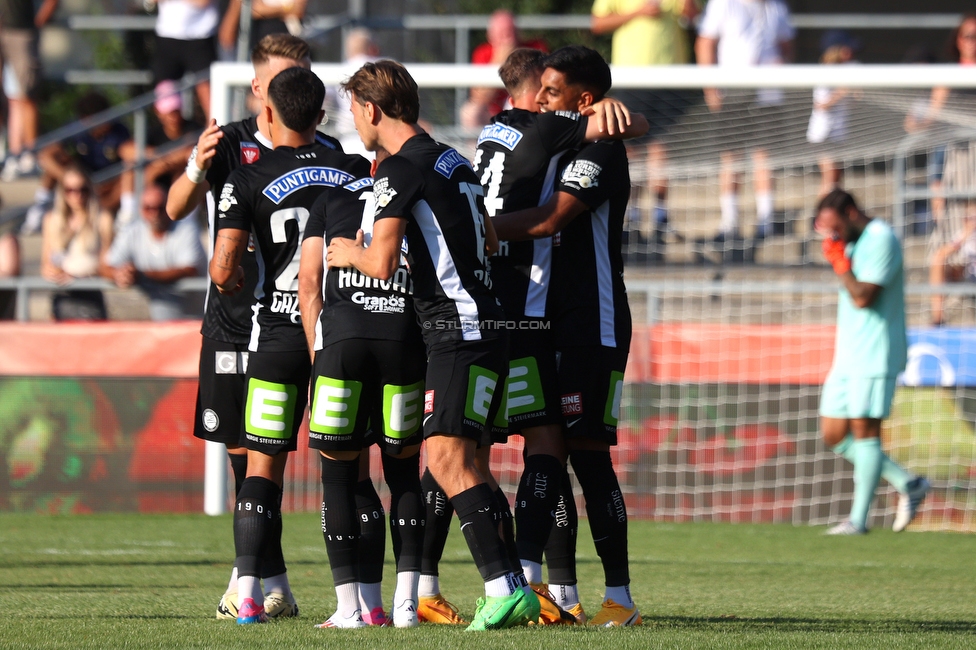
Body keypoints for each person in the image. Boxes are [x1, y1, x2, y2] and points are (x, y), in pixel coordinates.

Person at [327, 59, 540, 631]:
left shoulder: (398, 171)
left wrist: (346, 252)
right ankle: (514, 584)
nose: (352, 120)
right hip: (489, 324)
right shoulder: (455, 161)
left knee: (446, 459)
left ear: (371, 110)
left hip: (456, 331)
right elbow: (490, 236)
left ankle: (503, 588)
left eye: (352, 109)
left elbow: (380, 261)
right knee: (470, 463)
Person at [461, 46, 647, 627]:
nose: (540, 100)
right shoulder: (565, 140)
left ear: (583, 100)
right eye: (538, 89)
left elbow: (548, 220)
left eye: (552, 90)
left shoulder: (600, 152)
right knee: (552, 451)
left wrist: (476, 229)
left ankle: (620, 597)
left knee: (589, 459)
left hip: (594, 323)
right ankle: (550, 590)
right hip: (546, 319)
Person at [166, 33, 349, 622]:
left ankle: (255, 583)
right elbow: (174, 209)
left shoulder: (330, 148)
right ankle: (272, 582)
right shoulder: (229, 144)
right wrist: (196, 162)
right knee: (242, 452)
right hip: (232, 324)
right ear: (256, 89)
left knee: (274, 452)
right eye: (275, 81)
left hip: (288, 322)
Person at [209, 65, 359, 626]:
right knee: (344, 470)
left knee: (261, 468)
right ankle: (360, 602)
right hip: (338, 334)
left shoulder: (247, 175)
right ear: (322, 117)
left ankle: (246, 594)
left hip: (275, 334)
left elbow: (223, 268)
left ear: (266, 114)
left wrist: (236, 278)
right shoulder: (351, 170)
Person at [298, 147, 427, 628]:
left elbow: (308, 284)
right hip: (403, 342)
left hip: (344, 343)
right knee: (404, 474)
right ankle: (405, 605)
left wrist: (320, 356)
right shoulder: (415, 198)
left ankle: (349, 607)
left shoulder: (329, 200)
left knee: (338, 478)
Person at [815, 189, 931, 535]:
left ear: (851, 212)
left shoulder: (881, 238)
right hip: (848, 352)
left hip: (875, 351)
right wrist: (841, 255)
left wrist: (839, 263)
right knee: (835, 434)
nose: (835, 236)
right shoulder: (851, 241)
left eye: (837, 227)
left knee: (866, 434)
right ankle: (908, 483)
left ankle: (858, 521)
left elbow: (864, 296)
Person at [591, 0, 698, 255]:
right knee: (632, 148)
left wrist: (690, 11)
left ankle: (661, 217)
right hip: (633, 75)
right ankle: (632, 217)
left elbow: (693, 18)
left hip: (670, 76)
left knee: (662, 146)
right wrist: (638, 12)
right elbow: (597, 24)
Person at [695, 0, 794, 244]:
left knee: (765, 155)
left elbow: (787, 45)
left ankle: (766, 220)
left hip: (768, 92)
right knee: (731, 156)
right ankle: (730, 222)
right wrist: (711, 88)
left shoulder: (776, 7)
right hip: (734, 90)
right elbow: (705, 43)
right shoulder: (724, 4)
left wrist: (783, 65)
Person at [29, 91, 131, 235]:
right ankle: (40, 206)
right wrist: (71, 179)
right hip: (83, 180)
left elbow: (130, 154)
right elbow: (46, 155)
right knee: (58, 162)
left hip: (109, 184)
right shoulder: (76, 129)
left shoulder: (119, 131)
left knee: (131, 171)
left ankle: (125, 216)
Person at [101, 181, 204, 320]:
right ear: (140, 209)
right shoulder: (132, 230)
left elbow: (189, 269)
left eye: (160, 208)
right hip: (154, 321)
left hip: (193, 318)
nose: (155, 213)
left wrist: (142, 275)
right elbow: (105, 266)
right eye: (148, 208)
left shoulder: (186, 228)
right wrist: (119, 274)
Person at [40, 166, 113, 320]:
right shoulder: (52, 220)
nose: (77, 195)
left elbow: (107, 265)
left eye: (82, 189)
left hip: (90, 293)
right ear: (62, 192)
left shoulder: (102, 219)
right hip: (61, 294)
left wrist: (76, 277)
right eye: (70, 190)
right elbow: (45, 264)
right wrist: (52, 272)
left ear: (89, 190)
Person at [0, 0, 58, 180]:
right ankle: (13, 154)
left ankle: (28, 155)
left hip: (21, 31)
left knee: (26, 96)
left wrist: (38, 22)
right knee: (13, 98)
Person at [459, 9, 546, 129]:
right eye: (502, 33)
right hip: (493, 111)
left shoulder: (535, 49)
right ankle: (476, 147)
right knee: (470, 112)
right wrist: (499, 61)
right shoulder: (483, 53)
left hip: (526, 106)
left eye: (510, 32)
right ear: (490, 36)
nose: (507, 38)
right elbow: (478, 97)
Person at [807, 31, 858, 200]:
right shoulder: (825, 71)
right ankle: (820, 218)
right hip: (823, 134)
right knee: (830, 181)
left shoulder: (847, 71)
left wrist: (855, 92)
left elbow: (851, 103)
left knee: (836, 180)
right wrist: (843, 91)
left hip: (837, 134)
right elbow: (821, 105)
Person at [153, 0, 219, 120]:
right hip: (167, 35)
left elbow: (202, 2)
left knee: (208, 96)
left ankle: (214, 135)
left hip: (201, 36)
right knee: (166, 102)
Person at [327, 27, 380, 158]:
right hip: (378, 136)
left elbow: (326, 100)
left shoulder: (337, 71)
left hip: (347, 139)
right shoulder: (382, 68)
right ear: (371, 47)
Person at [929, 214, 976, 326]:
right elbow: (939, 255)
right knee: (938, 262)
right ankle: (938, 320)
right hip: (969, 278)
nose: (973, 222)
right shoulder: (963, 236)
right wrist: (962, 239)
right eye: (969, 218)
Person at [218, 0, 306, 59]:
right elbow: (226, 39)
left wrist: (262, 9)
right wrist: (285, 9)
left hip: (286, 51)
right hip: (251, 55)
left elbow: (298, 10)